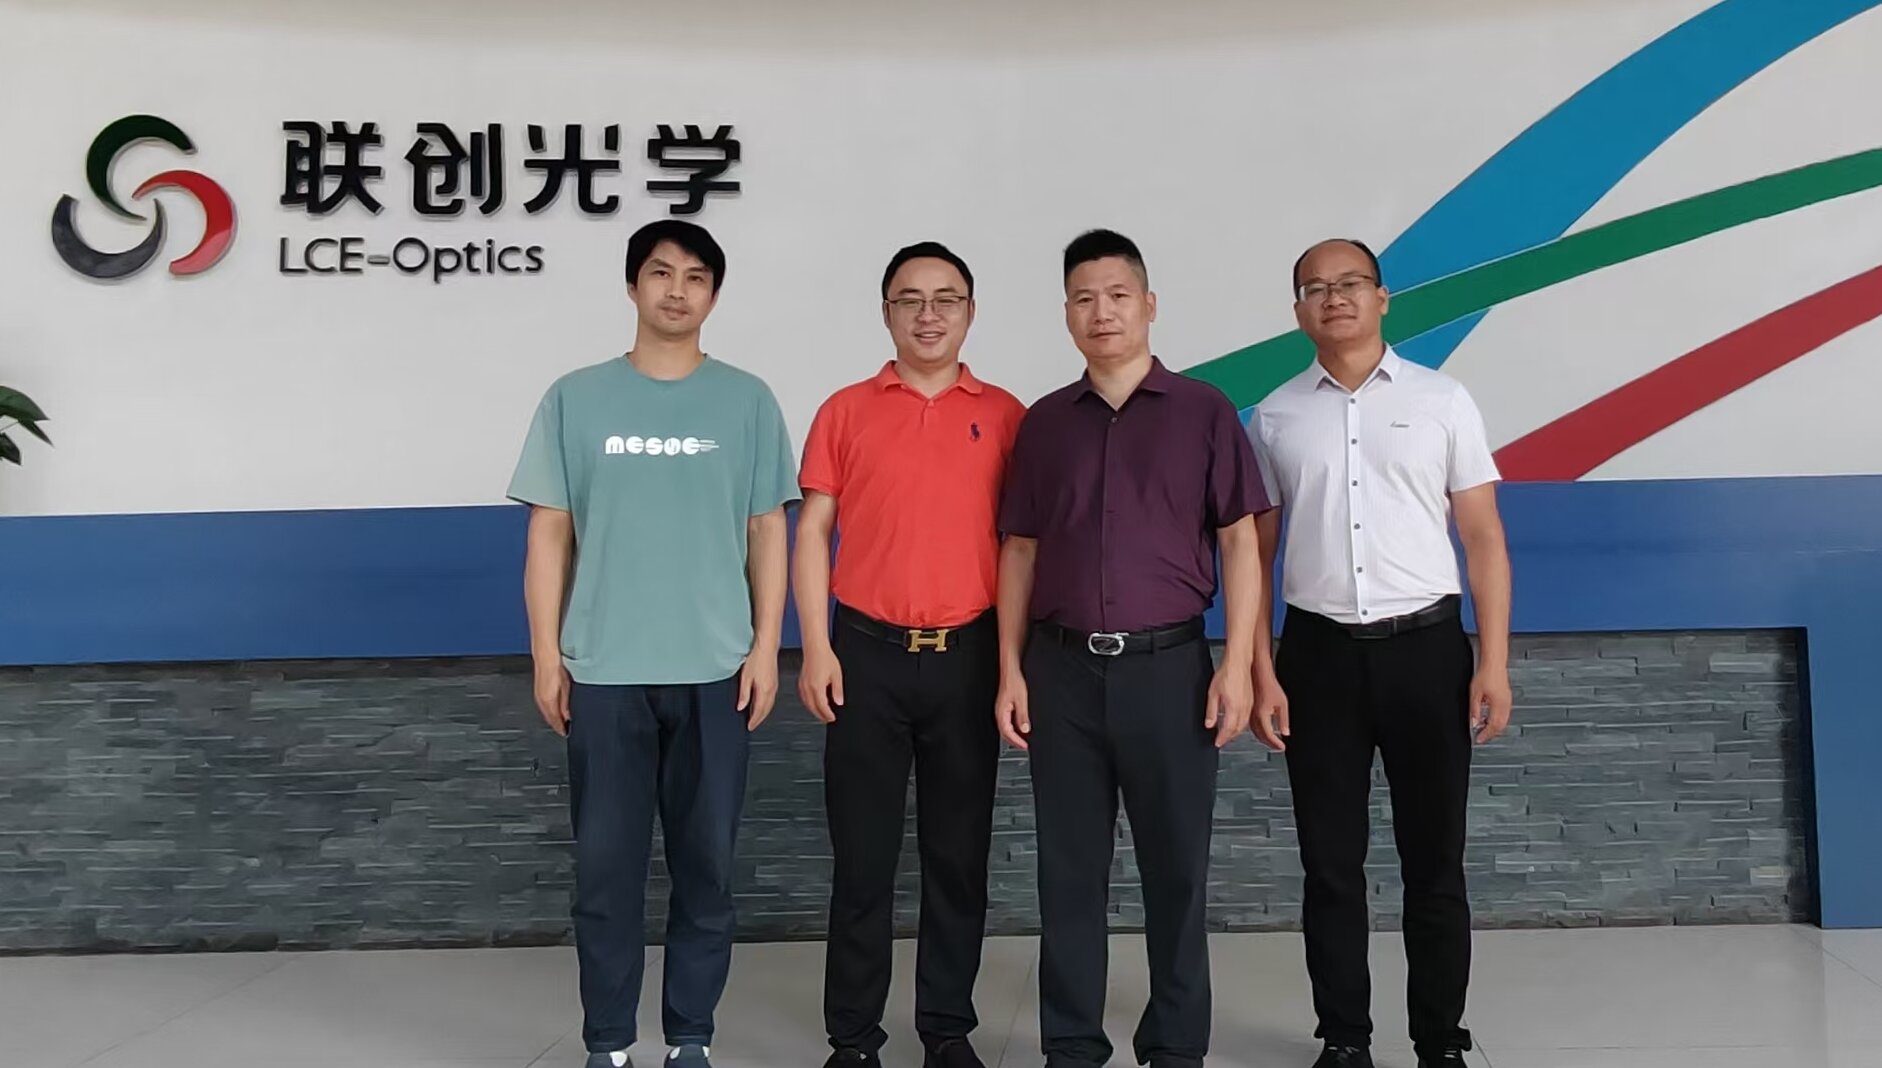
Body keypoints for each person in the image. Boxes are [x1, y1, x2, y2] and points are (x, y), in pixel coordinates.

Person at [506, 219, 799, 1068]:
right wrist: (547, 655)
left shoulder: (747, 401)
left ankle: (690, 1037)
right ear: (633, 285)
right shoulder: (575, 398)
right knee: (606, 873)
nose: (678, 290)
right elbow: (550, 533)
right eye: (661, 273)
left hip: (716, 670)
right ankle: (607, 1042)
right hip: (605, 670)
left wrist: (765, 647)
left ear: (714, 294)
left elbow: (768, 530)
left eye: (696, 276)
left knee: (707, 869)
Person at [995, 229, 1271, 1068]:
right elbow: (1019, 551)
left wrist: (1236, 664)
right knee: (1068, 872)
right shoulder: (1045, 423)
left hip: (1170, 671)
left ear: (1149, 305)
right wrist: (1009, 670)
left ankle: (1177, 1044)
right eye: (1084, 298)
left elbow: (1240, 542)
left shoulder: (1203, 411)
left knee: (1176, 871)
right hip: (1061, 672)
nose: (1102, 311)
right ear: (1067, 314)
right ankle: (1072, 1045)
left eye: (1117, 295)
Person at [1245, 238, 1513, 1068]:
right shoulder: (1276, 416)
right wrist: (1259, 668)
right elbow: (1255, 555)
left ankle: (1439, 1041)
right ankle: (1345, 1039)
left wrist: (1493, 662)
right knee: (1330, 866)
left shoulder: (1443, 400)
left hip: (1427, 652)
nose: (1335, 298)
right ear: (1298, 310)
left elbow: (1483, 538)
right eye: (1316, 288)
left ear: (1382, 297)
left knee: (1435, 863)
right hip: (1316, 657)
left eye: (1351, 283)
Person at [794, 241, 1027, 1068]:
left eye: (946, 298)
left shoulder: (1007, 415)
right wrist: (814, 647)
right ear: (886, 311)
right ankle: (853, 1038)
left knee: (956, 859)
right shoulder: (845, 410)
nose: (929, 314)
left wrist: (1012, 665)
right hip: (865, 655)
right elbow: (813, 530)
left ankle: (947, 1031)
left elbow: (1021, 549)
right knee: (862, 860)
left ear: (970, 312)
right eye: (910, 299)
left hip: (967, 657)